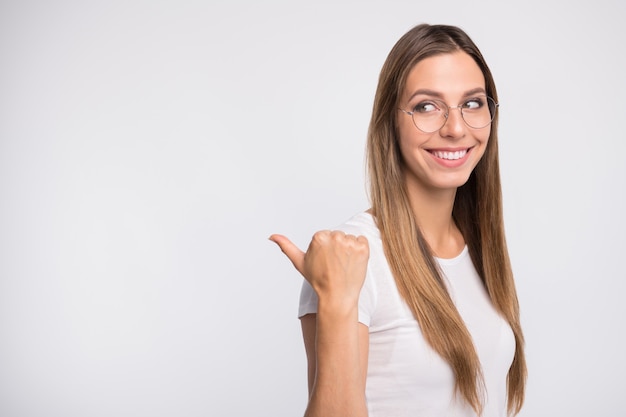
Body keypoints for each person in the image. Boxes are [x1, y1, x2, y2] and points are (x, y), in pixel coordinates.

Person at [270, 23, 527, 417]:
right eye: (427, 106)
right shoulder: (352, 257)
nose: (456, 128)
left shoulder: (479, 248)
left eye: (472, 103)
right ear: (391, 120)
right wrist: (337, 300)